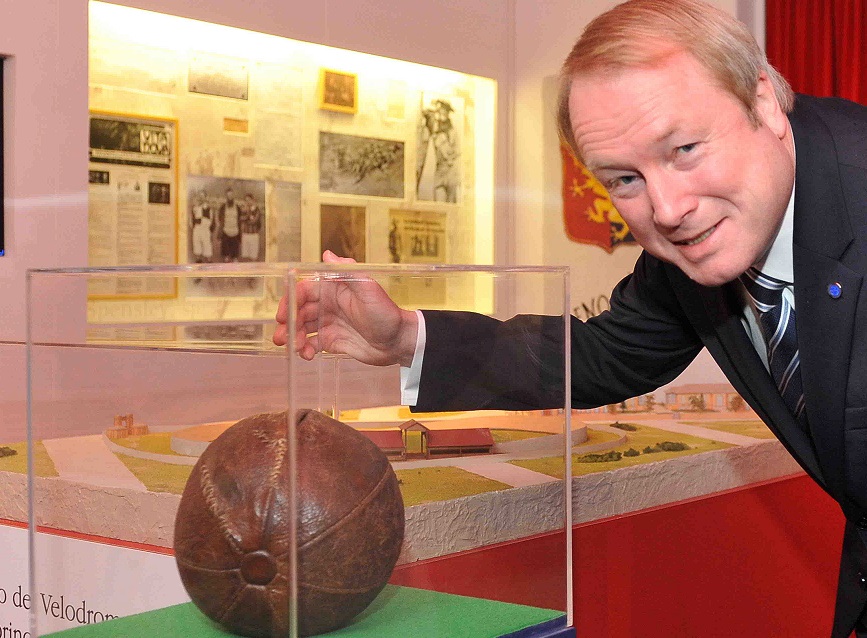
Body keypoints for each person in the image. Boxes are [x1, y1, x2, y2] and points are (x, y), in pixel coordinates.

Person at [274, 1, 867, 634]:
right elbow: (597, 356)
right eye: (624, 178)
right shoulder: (698, 245)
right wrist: (403, 337)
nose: (667, 209)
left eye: (685, 148)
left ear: (765, 104)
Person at [217, 188, 241, 262]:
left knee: (235, 245)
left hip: (235, 229)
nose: (230, 196)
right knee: (225, 245)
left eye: (231, 195)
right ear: (226, 196)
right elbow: (219, 217)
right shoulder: (223, 207)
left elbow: (240, 217)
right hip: (226, 229)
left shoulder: (237, 207)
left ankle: (234, 258)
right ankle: (226, 257)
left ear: (233, 195)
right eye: (228, 195)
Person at [239, 193, 263, 262]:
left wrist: (246, 217)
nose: (247, 202)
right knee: (245, 256)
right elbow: (240, 218)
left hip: (254, 235)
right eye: (246, 200)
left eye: (249, 200)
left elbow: (254, 221)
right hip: (245, 234)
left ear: (252, 200)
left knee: (253, 256)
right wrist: (248, 217)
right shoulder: (243, 209)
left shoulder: (257, 210)